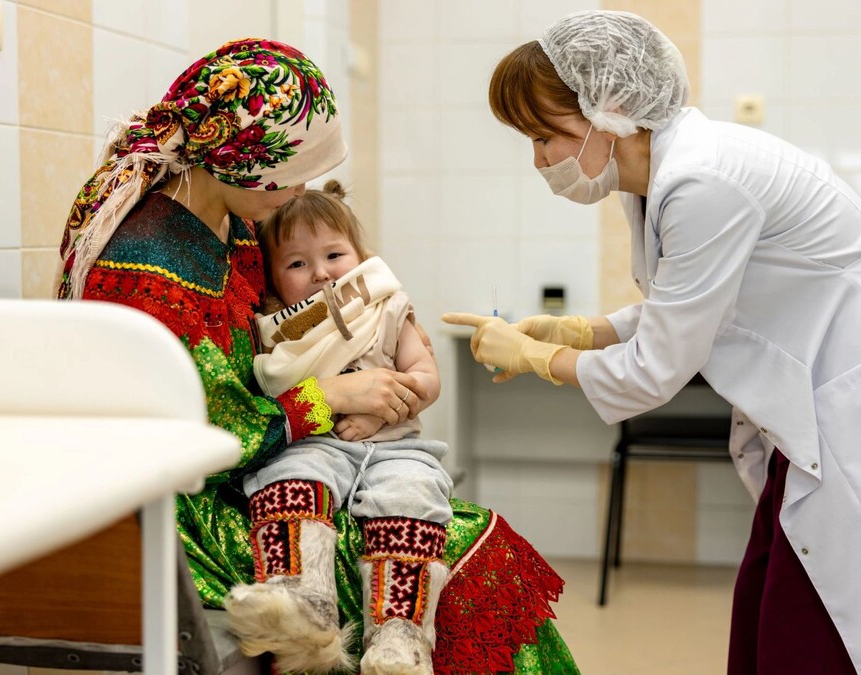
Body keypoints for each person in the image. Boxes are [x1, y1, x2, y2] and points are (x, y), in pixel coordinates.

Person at [443, 10, 861, 674]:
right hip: (815, 391)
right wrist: (588, 330)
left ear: (609, 110)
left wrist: (539, 358)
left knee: (816, 618)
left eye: (545, 135)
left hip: (850, 390)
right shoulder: (651, 174)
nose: (538, 159)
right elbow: (687, 303)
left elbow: (656, 370)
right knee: (766, 596)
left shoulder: (703, 178)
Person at [57, 38, 576, 674]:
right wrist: (331, 398)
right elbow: (199, 435)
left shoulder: (236, 222)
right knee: (470, 561)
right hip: (190, 504)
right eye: (289, 175)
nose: (299, 191)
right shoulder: (146, 267)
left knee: (452, 527)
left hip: (276, 454)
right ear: (244, 159)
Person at [224, 181, 453, 674]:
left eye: (334, 254)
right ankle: (301, 604)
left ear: (361, 256)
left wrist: (381, 409)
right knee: (286, 477)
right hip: (315, 443)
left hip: (394, 448)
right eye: (297, 264)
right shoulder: (272, 331)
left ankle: (401, 637)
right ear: (271, 279)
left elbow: (426, 378)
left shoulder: (387, 308)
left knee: (416, 494)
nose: (322, 273)